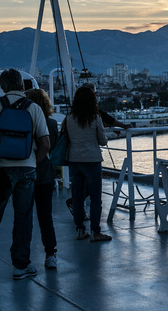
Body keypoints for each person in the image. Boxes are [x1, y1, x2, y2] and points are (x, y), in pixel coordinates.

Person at [0, 69, 50, 280]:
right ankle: (20, 266)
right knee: (23, 218)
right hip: (27, 170)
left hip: (1, 170)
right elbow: (45, 143)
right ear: (22, 86)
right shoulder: (34, 108)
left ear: (3, 86)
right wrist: (33, 161)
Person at [65, 86, 111, 242]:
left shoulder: (69, 118)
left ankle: (80, 230)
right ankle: (95, 232)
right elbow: (103, 140)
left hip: (74, 160)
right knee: (95, 198)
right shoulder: (95, 117)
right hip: (92, 160)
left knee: (77, 197)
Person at [25, 88, 59, 269]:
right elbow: (50, 147)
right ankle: (50, 253)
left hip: (25, 172)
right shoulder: (51, 124)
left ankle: (24, 257)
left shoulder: (23, 122)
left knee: (24, 216)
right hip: (45, 173)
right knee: (45, 216)